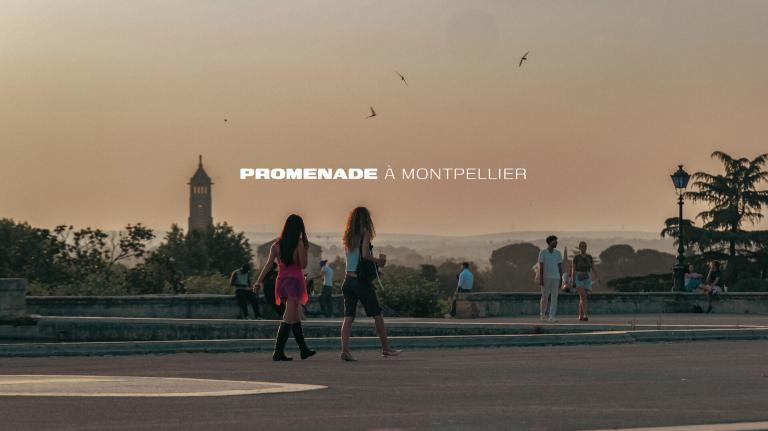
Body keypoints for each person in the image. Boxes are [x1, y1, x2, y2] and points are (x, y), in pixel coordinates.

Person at [339, 206, 401, 361]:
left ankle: (345, 351)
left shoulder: (347, 236)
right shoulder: (365, 233)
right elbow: (365, 255)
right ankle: (386, 349)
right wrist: (379, 261)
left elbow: (354, 261)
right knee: (377, 315)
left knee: (348, 317)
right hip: (360, 283)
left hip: (348, 280)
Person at [254, 214, 316, 361]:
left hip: (281, 282)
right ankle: (278, 351)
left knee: (294, 316)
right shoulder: (299, 244)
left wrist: (258, 281)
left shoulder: (276, 245)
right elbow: (303, 265)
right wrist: (305, 252)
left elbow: (269, 265)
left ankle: (303, 349)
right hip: (294, 282)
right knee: (288, 317)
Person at [570, 241, 600, 322]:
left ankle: (580, 315)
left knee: (583, 297)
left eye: (585, 246)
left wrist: (597, 276)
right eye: (582, 246)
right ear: (580, 247)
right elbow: (573, 269)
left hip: (587, 277)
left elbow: (593, 268)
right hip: (578, 277)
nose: (584, 248)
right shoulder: (576, 258)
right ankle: (585, 315)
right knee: (583, 296)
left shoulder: (589, 257)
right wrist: (573, 280)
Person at [538, 235, 563, 323]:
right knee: (544, 297)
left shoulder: (558, 253)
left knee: (554, 298)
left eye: (556, 241)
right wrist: (541, 278)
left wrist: (561, 279)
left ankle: (552, 316)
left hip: (556, 278)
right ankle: (543, 314)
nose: (556, 243)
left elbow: (560, 267)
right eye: (554, 241)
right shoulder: (543, 252)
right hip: (545, 277)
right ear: (550, 242)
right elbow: (541, 267)